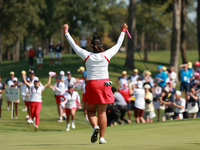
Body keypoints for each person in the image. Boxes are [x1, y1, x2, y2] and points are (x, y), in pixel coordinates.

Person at [63, 22, 127, 144]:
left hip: (92, 84)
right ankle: (102, 138)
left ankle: (95, 127)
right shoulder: (107, 55)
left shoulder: (86, 56)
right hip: (105, 84)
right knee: (102, 112)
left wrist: (66, 32)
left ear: (91, 46)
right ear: (101, 44)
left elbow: (74, 45)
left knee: (91, 111)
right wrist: (123, 31)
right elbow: (119, 44)